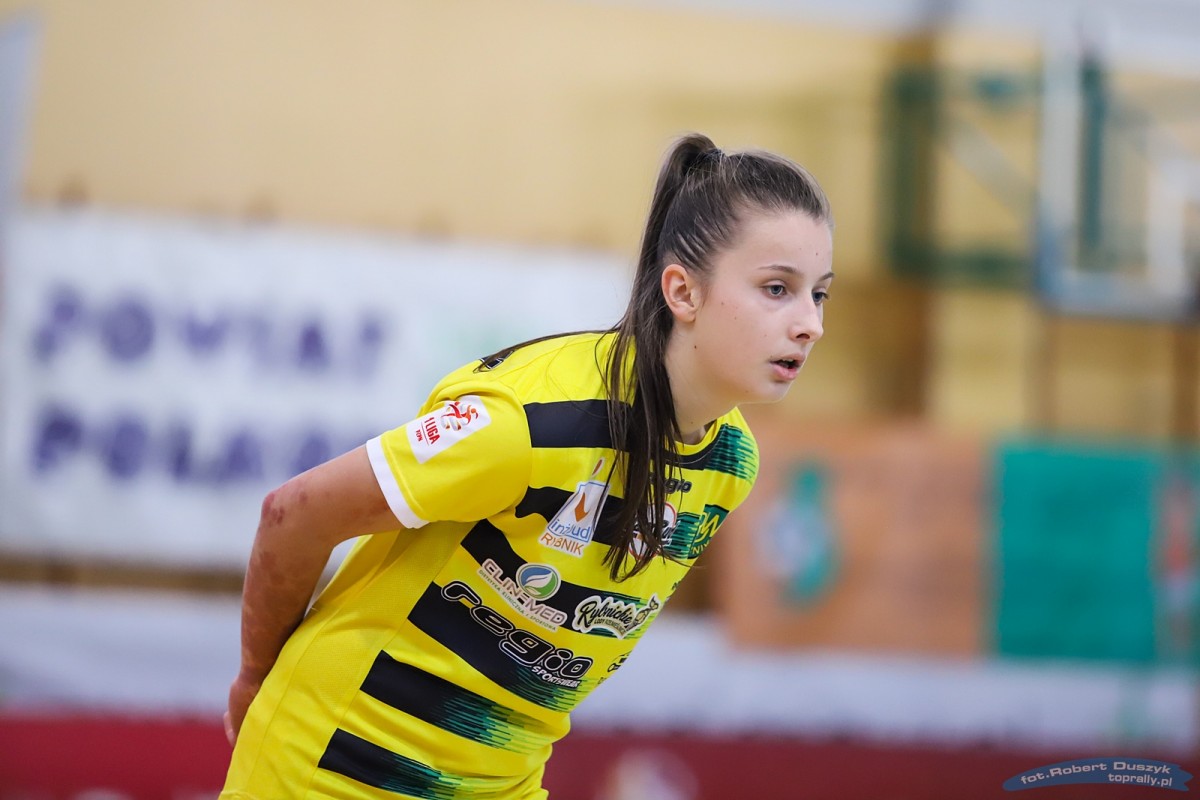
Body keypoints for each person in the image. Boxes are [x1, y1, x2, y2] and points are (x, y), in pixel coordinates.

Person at [220, 132, 833, 799]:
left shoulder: (731, 465)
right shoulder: (529, 426)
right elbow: (292, 515)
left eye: (820, 295)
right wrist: (255, 675)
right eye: (778, 288)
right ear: (683, 293)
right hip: (328, 770)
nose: (811, 325)